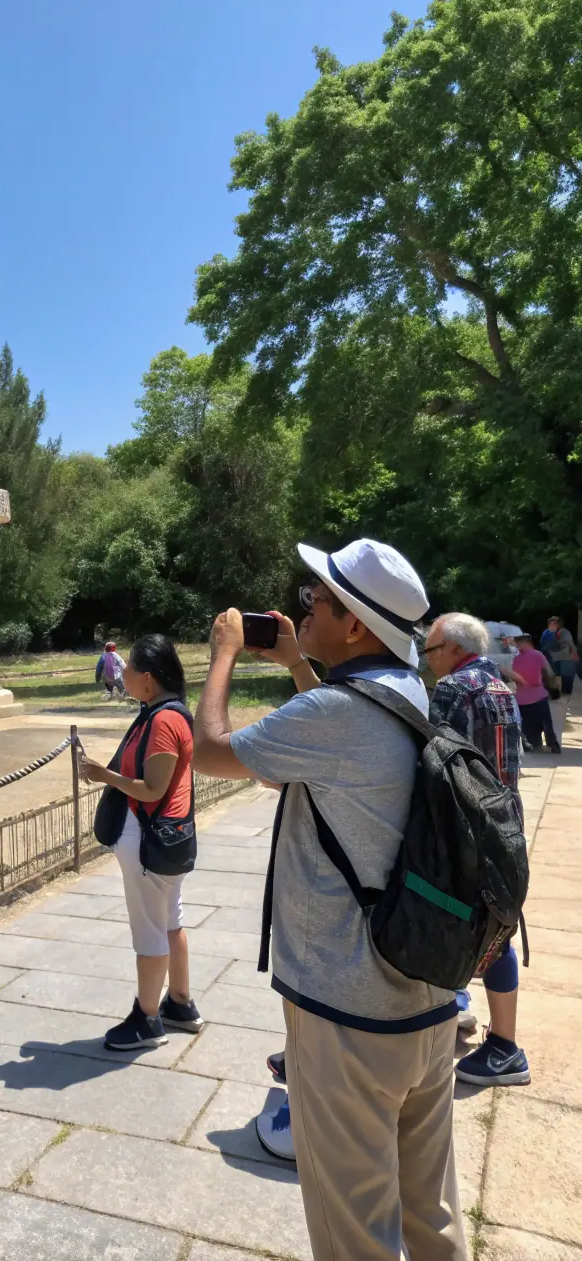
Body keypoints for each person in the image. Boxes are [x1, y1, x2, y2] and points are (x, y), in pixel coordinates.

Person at [194, 538, 467, 1261]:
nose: (304, 602)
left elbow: (212, 749)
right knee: (431, 1211)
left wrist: (223, 651)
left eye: (319, 596)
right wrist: (292, 661)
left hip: (350, 1013)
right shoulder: (411, 693)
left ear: (355, 626)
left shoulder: (335, 714)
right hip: (427, 995)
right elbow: (304, 765)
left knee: (356, 1234)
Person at [77, 635, 203, 1050]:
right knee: (169, 920)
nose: (123, 673)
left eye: (129, 668)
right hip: (167, 837)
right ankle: (179, 1003)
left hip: (150, 839)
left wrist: (103, 775)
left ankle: (147, 1020)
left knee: (149, 930)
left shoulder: (163, 721)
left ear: (148, 679)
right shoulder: (159, 713)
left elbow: (151, 788)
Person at [424, 613, 531, 1088]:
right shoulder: (501, 685)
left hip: (467, 832)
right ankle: (496, 1033)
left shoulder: (452, 690)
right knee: (497, 928)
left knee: (451, 922)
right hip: (507, 827)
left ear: (450, 648)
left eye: (430, 652)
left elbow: (434, 762)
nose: (427, 663)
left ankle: (502, 1048)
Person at [514, 632, 561, 754]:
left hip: (520, 699)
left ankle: (528, 744)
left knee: (526, 724)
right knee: (546, 722)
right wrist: (550, 687)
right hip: (538, 695)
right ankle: (552, 743)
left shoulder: (513, 657)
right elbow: (547, 673)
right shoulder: (538, 654)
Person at [546, 616, 578, 697]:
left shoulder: (564, 633)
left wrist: (552, 654)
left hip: (567, 659)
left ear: (560, 623)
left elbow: (566, 649)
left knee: (566, 681)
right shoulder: (556, 632)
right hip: (564, 659)